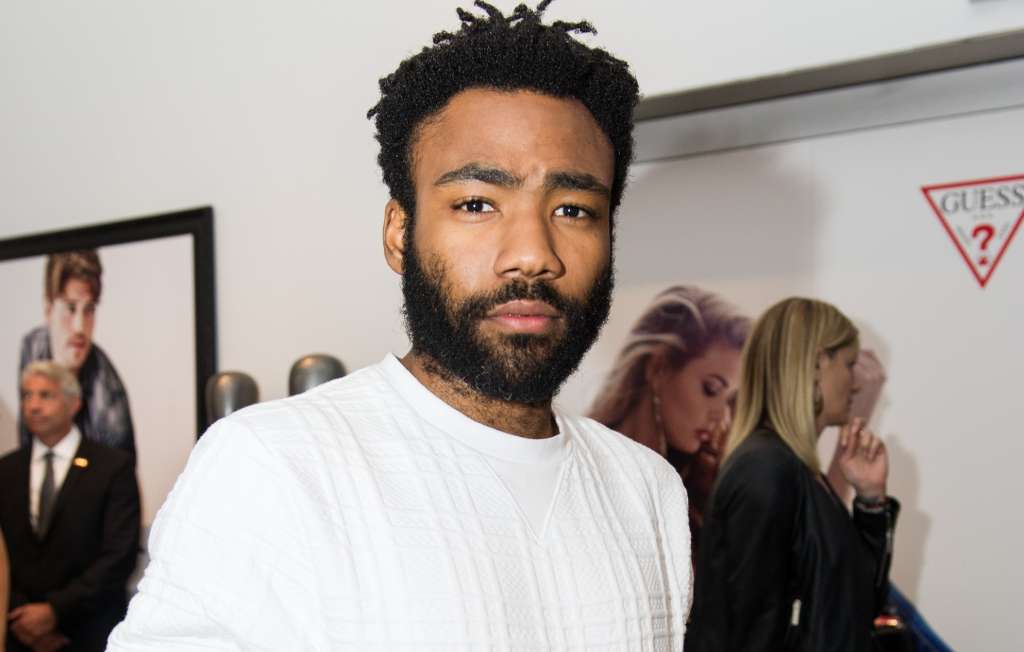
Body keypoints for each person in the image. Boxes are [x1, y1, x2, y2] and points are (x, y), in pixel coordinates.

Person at [108, 2, 692, 649]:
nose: (534, 253)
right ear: (399, 232)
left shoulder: (646, 491)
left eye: (574, 209)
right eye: (476, 203)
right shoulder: (274, 468)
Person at [687, 297, 899, 652]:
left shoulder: (794, 471)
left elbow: (857, 605)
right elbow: (751, 633)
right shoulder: (766, 470)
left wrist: (870, 501)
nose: (857, 384)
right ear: (818, 364)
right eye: (848, 364)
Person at [589, 285, 750, 561]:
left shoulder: (701, 490)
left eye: (730, 400)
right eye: (711, 389)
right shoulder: (586, 467)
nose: (721, 417)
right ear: (658, 368)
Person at [0, 362, 140, 652]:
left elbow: (119, 554)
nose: (33, 405)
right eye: (27, 395)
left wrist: (53, 612)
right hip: (18, 632)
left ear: (74, 403)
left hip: (89, 631)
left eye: (45, 395)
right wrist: (21, 617)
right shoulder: (7, 469)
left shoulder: (112, 467)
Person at [19, 249, 136, 455]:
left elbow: (117, 479)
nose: (80, 327)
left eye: (89, 310)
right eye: (71, 308)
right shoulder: (31, 347)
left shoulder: (110, 405)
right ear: (48, 308)